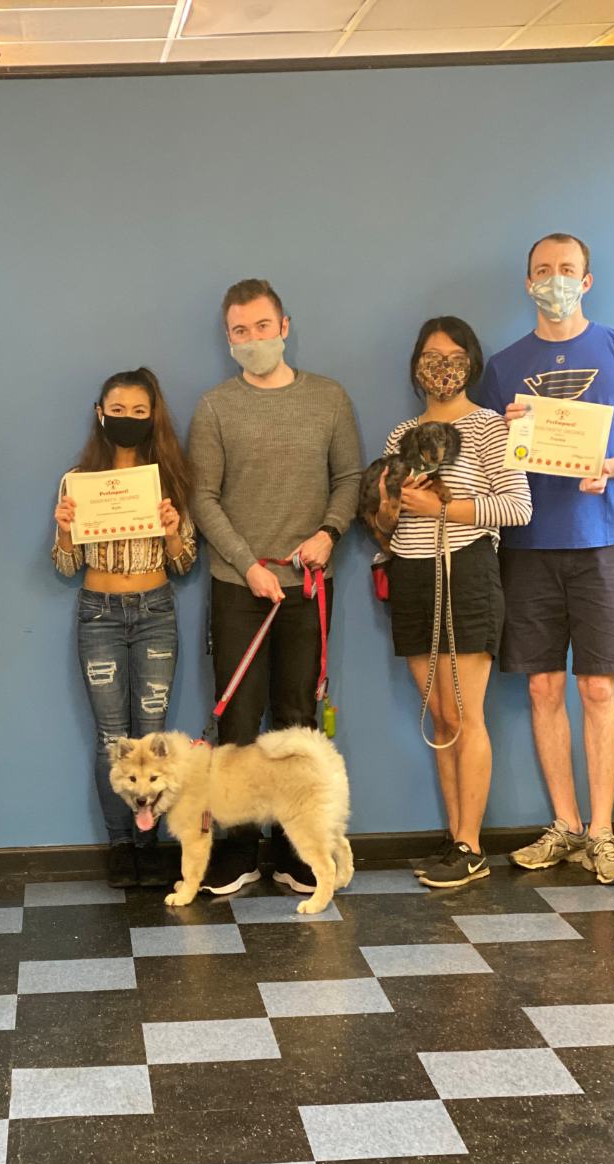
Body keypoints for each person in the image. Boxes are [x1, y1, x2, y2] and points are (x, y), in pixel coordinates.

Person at [481, 234, 614, 884]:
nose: (553, 279)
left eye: (566, 269)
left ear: (586, 280)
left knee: (599, 687)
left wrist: (609, 467)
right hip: (526, 547)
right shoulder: (503, 366)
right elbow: (490, 458)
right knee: (542, 687)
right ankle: (565, 825)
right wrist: (509, 435)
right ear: (527, 281)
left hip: (602, 545)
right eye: (542, 270)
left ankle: (603, 834)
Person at [188, 278, 362, 895]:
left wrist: (328, 534)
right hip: (240, 586)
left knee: (296, 718)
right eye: (240, 331)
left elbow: (349, 479)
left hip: (309, 586)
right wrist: (248, 566)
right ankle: (238, 850)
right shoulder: (214, 408)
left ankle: (295, 848)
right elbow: (202, 498)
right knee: (238, 720)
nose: (253, 339)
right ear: (228, 338)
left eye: (262, 327)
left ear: (284, 327)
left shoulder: (329, 398)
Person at [374, 318, 531, 888]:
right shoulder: (402, 433)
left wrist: (443, 506)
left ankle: (472, 844)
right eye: (431, 356)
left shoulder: (489, 426)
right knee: (440, 716)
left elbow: (516, 508)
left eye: (453, 356)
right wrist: (389, 506)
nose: (441, 366)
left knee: (466, 714)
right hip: (410, 573)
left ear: (471, 363)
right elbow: (386, 522)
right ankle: (453, 835)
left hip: (466, 570)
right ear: (416, 364)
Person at [53, 367, 196, 888]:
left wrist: (173, 531)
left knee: (152, 738)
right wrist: (65, 531)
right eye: (117, 410)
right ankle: (120, 845)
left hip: (156, 611)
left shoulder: (168, 478)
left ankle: (148, 843)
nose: (127, 418)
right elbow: (65, 566)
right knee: (112, 738)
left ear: (153, 416)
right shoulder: (77, 481)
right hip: (99, 613)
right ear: (100, 414)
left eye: (139, 411)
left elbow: (185, 563)